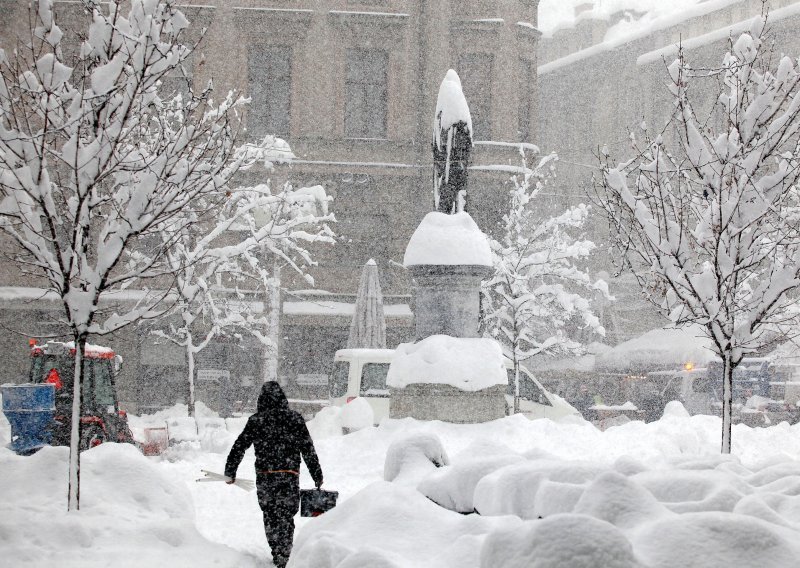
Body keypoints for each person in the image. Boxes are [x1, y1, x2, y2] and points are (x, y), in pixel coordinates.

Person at [225, 381, 323, 568]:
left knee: (270, 514)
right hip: (289, 475)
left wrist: (230, 471)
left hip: (266, 476)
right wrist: (317, 475)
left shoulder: (256, 420)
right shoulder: (295, 419)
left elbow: (239, 446)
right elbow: (308, 449)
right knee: (286, 515)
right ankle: (285, 551)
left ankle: (277, 550)